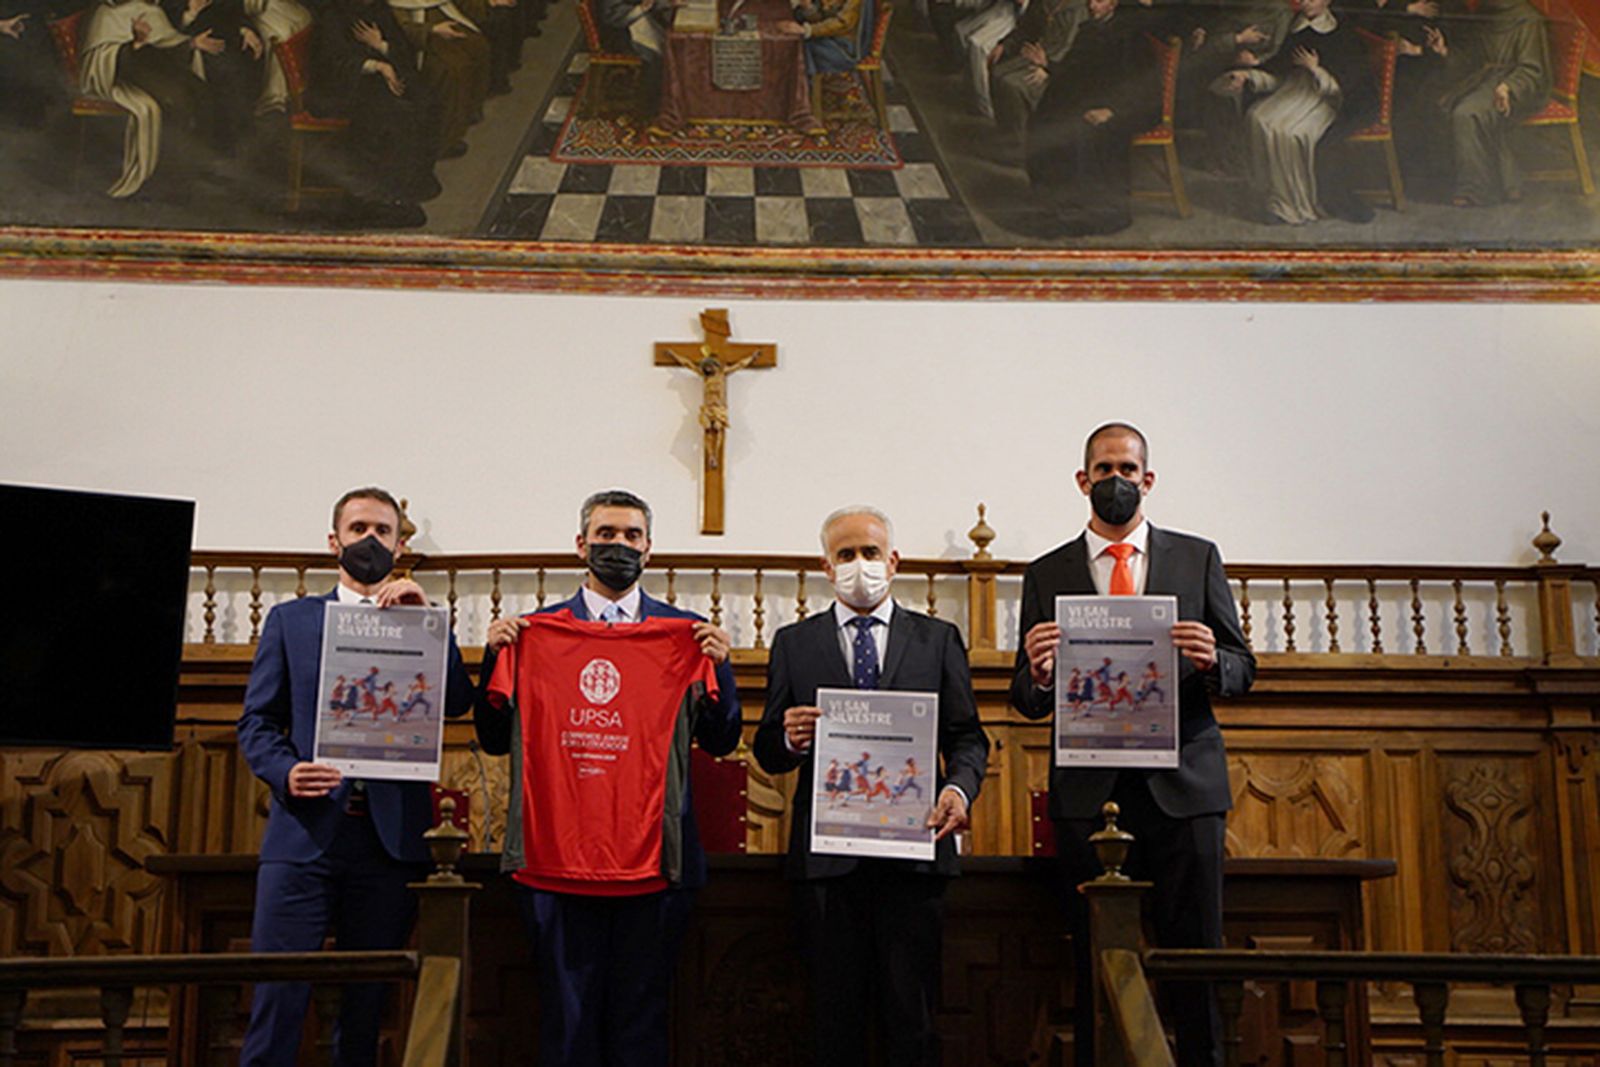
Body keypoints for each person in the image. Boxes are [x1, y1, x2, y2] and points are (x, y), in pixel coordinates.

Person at [1009, 423, 1255, 1067]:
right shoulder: (1047, 572)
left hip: (1184, 787)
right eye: (1103, 469)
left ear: (1148, 480)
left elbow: (1243, 669)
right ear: (1082, 479)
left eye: (1127, 469)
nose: (1115, 480)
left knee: (1196, 957)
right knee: (1096, 963)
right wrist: (1039, 674)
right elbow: (1026, 698)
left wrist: (1212, 660)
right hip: (1089, 793)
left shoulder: (1197, 558)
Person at [474, 488, 741, 1067]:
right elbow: (494, 739)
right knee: (566, 1021)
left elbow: (722, 742)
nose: (618, 545)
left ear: (649, 548)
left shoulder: (686, 634)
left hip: (656, 862)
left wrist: (720, 668)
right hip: (554, 859)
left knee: (640, 1022)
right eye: (606, 535)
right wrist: (494, 659)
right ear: (581, 545)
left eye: (630, 536)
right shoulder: (533, 631)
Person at [236, 486, 474, 1067]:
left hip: (388, 843)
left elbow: (457, 703)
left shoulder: (422, 618)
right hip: (306, 835)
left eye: (383, 531)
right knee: (277, 1001)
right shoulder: (292, 621)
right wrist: (286, 771)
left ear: (399, 546)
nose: (371, 540)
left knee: (367, 1012)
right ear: (334, 541)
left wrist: (429, 621)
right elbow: (257, 723)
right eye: (359, 529)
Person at [754, 506, 990, 1067]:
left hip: (914, 861)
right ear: (826, 566)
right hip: (828, 867)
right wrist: (787, 738)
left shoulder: (937, 639)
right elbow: (767, 749)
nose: (859, 564)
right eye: (846, 554)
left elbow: (968, 738)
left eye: (870, 552)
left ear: (893, 560)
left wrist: (957, 791)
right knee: (833, 1024)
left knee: (913, 1022)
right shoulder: (794, 642)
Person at [1214, 0, 1377, 223]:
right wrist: (1248, 76)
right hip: (1293, 89)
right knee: (1258, 117)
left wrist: (1315, 69)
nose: (1305, 2)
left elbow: (1349, 83)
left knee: (1291, 132)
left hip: (1324, 98)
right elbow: (1279, 69)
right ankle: (1271, 196)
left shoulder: (1341, 33)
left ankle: (1293, 204)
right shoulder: (1295, 27)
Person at [1023, 0, 1161, 235]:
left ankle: (1086, 214)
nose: (1091, 5)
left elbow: (1145, 91)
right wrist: (1048, 64)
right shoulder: (1089, 30)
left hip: (1122, 111)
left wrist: (1112, 111)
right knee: (1045, 123)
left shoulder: (1132, 38)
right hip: (1090, 101)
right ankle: (1053, 205)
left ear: (1114, 3)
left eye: (1099, 0)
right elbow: (1077, 74)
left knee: (1077, 131)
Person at [1428, 0, 1550, 206]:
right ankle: (1505, 183)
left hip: (1519, 87)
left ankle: (1475, 189)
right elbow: (1473, 59)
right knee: (1443, 104)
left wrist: (1509, 86)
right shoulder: (1486, 13)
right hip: (1485, 80)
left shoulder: (1528, 19)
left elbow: (1533, 70)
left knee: (1467, 113)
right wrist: (1444, 51)